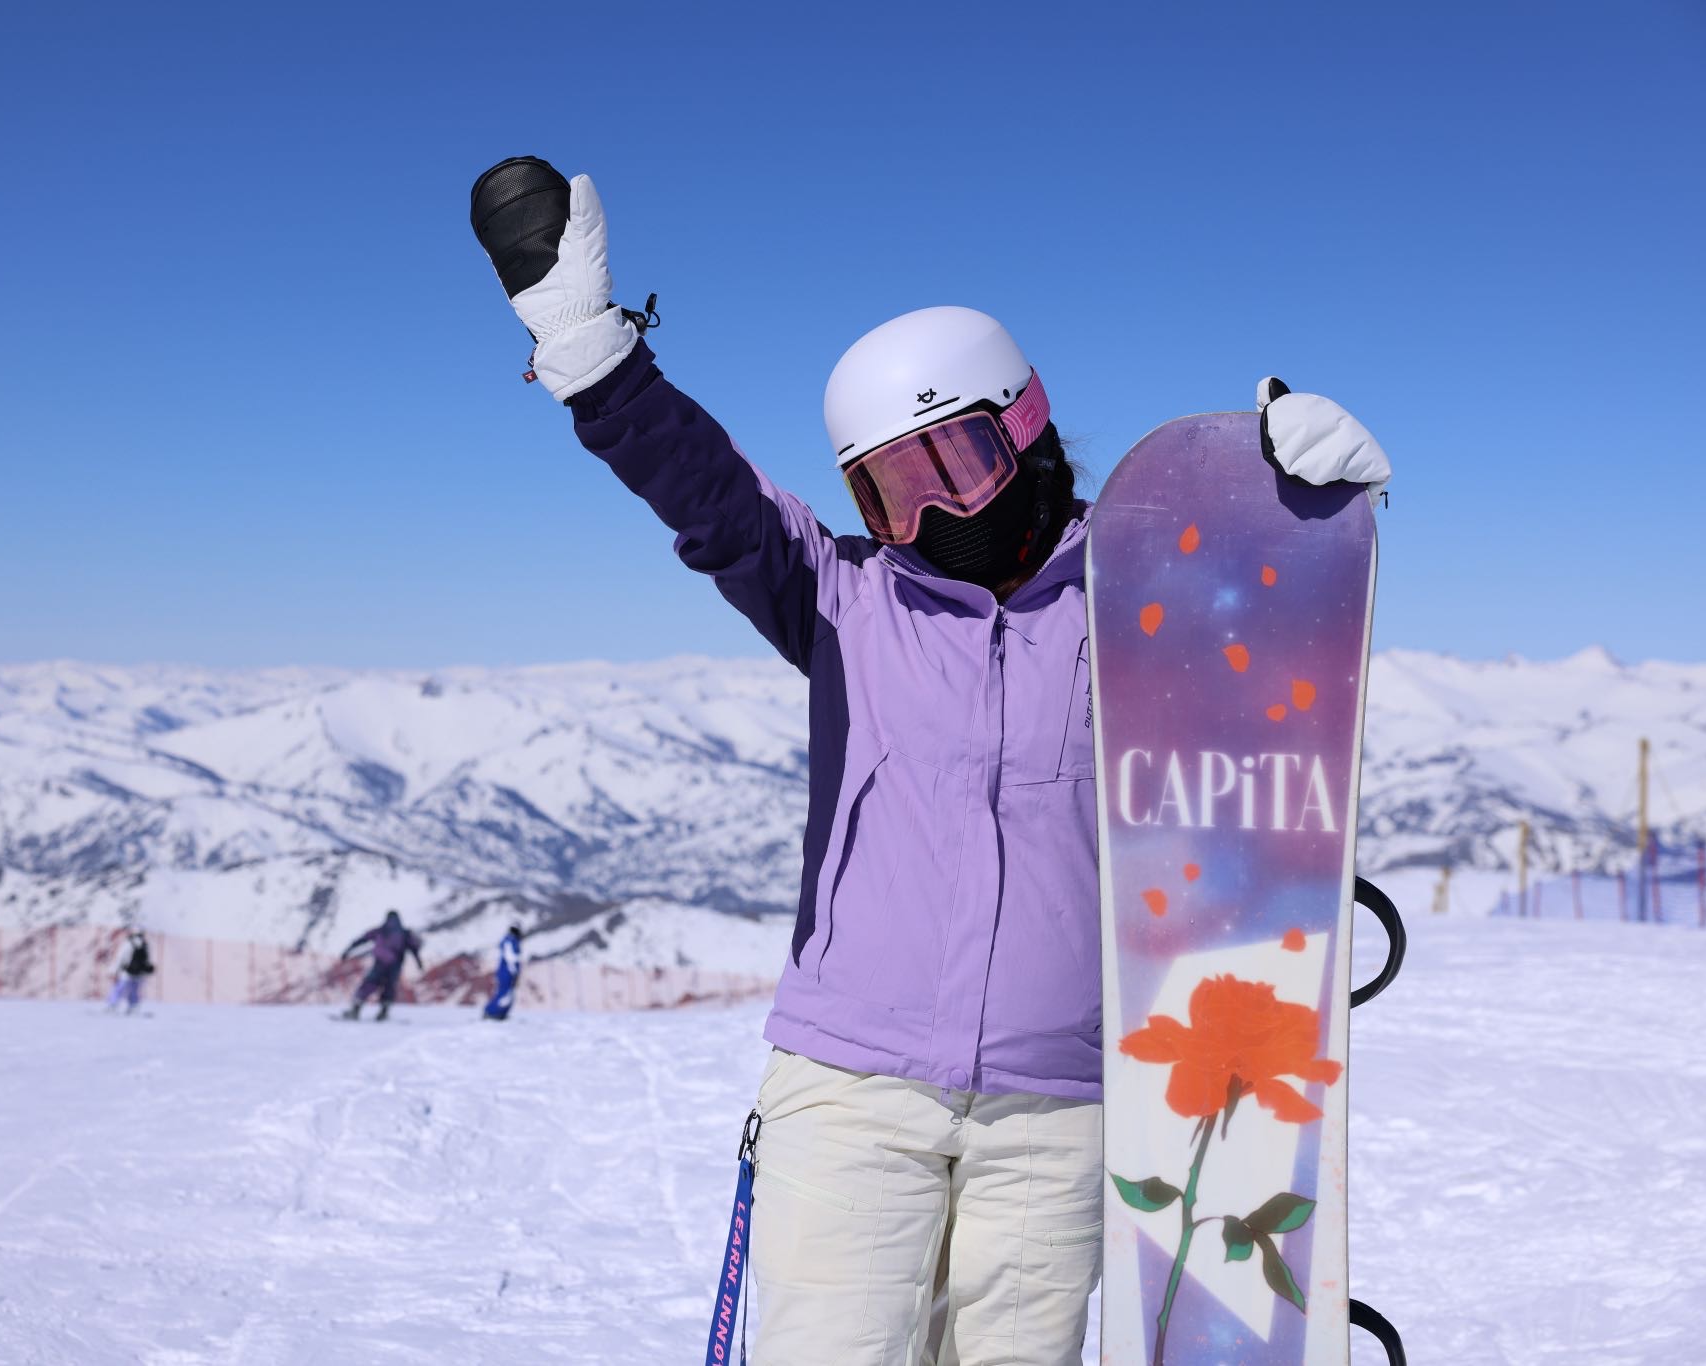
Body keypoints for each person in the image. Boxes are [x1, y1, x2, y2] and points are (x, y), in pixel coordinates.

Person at [469, 158, 1391, 1365]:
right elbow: (702, 490)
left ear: (1024, 429)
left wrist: (1291, 505)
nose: (929, 520)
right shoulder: (845, 599)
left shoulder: (1143, 607)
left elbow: (1270, 675)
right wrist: (591, 354)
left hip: (1059, 1110)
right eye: (888, 493)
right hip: (849, 1094)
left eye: (950, 469)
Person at [340, 910, 423, 1022]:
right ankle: (383, 1013)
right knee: (389, 988)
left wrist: (348, 950)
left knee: (368, 984)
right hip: (394, 966)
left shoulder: (380, 930)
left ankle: (355, 1010)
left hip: (380, 964)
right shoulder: (404, 933)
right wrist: (419, 963)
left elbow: (362, 939)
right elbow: (414, 949)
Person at [104, 929, 155, 1014]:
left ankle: (112, 1005)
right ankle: (133, 1006)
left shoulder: (128, 944)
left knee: (119, 988)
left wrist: (113, 970)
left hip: (127, 971)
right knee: (134, 990)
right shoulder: (145, 945)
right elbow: (147, 960)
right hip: (139, 973)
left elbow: (120, 958)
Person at [483, 923, 524, 1021]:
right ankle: (491, 1013)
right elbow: (511, 958)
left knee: (507, 994)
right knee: (505, 994)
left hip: (507, 972)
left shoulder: (511, 941)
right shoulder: (510, 941)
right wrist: (514, 973)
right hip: (507, 973)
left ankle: (500, 1013)